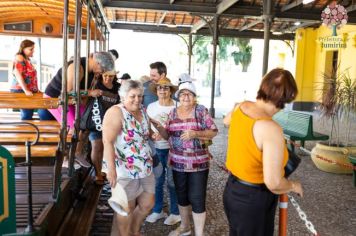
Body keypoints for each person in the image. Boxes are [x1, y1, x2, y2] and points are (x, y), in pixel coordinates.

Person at [223, 68, 303, 236]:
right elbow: (273, 183)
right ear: (286, 98)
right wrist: (293, 185)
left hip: (232, 190)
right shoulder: (270, 128)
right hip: (253, 200)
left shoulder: (241, 107)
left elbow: (226, 121)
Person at [151, 74, 218, 236]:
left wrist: (195, 134)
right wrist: (160, 128)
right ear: (178, 97)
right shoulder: (173, 113)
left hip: (198, 164)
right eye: (182, 94)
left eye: (189, 94)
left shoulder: (201, 111)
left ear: (194, 97)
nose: (185, 97)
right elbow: (167, 136)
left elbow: (214, 132)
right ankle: (185, 227)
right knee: (181, 195)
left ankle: (199, 233)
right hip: (177, 163)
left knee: (197, 197)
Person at [44, 51, 115, 168]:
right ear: (97, 63)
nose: (101, 73)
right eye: (102, 70)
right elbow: (67, 92)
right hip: (55, 99)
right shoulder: (76, 68)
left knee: (86, 123)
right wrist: (90, 92)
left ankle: (77, 153)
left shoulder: (91, 71)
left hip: (72, 100)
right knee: (74, 127)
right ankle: (67, 158)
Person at [103, 80, 155, 236]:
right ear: (123, 96)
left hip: (145, 166)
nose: (137, 99)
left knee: (147, 204)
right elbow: (108, 141)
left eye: (140, 96)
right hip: (125, 169)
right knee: (126, 208)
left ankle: (134, 230)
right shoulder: (116, 112)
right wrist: (111, 170)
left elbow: (145, 134)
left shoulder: (143, 110)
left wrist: (154, 134)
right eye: (133, 96)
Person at [145, 77, 181, 225]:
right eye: (160, 87)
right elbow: (146, 126)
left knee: (172, 182)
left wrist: (167, 133)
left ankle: (175, 213)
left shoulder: (178, 107)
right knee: (157, 181)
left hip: (173, 149)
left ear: (171, 90)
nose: (162, 90)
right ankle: (157, 210)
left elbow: (181, 128)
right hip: (156, 148)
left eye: (166, 88)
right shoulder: (151, 107)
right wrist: (151, 134)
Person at [87, 69, 120, 185]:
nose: (107, 78)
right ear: (101, 75)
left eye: (111, 76)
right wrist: (91, 92)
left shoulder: (118, 87)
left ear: (114, 76)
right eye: (105, 75)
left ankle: (109, 171)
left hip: (111, 122)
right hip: (96, 120)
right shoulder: (96, 84)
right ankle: (97, 173)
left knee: (109, 147)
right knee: (96, 146)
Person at [10, 39, 53, 120]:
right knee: (27, 115)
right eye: (31, 49)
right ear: (23, 49)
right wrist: (26, 90)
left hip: (27, 90)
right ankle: (25, 131)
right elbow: (18, 74)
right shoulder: (19, 57)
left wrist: (36, 89)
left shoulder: (27, 60)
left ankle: (30, 130)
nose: (33, 51)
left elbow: (30, 77)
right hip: (21, 90)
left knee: (28, 114)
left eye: (33, 49)